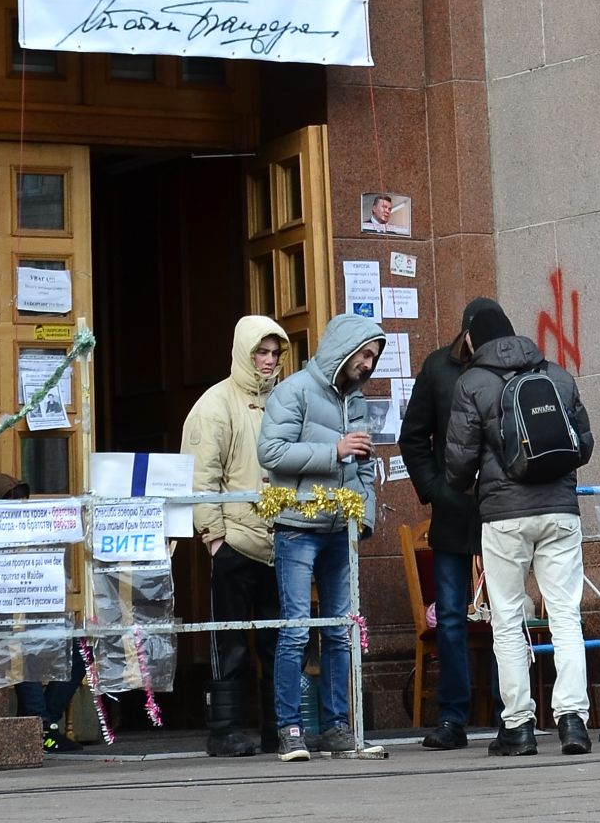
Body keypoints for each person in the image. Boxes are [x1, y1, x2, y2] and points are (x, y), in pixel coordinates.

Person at [443, 306, 594, 759]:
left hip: (504, 515)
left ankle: (519, 727)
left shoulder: (471, 382)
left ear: (471, 339)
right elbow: (583, 445)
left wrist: (468, 485)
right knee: (565, 615)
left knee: (507, 619)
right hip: (560, 511)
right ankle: (572, 722)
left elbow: (458, 461)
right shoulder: (557, 375)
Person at [257, 314, 389, 761]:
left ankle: (336, 727)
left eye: (374, 357)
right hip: (296, 527)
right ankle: (290, 728)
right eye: (365, 355)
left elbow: (366, 466)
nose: (369, 365)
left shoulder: (357, 401)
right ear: (344, 350)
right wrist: (333, 451)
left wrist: (364, 518)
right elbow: (271, 452)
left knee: (339, 632)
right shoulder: (292, 391)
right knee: (295, 630)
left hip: (340, 531)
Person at [180, 316, 291, 756]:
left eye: (275, 353)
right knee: (229, 641)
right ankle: (224, 730)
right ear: (244, 353)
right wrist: (214, 538)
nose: (268, 361)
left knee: (277, 640)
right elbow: (200, 477)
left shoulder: (285, 400)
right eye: (260, 353)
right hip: (236, 542)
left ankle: (276, 728)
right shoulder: (215, 404)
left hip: (280, 541)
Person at [399, 296, 506, 749]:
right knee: (451, 617)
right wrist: (436, 488)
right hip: (453, 510)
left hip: (503, 508)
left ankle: (512, 712)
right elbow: (413, 436)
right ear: (466, 335)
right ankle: (452, 718)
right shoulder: (438, 367)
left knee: (506, 613)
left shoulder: (509, 365)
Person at [0, 471, 86, 755]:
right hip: (4, 625)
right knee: (21, 649)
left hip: (38, 615)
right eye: (13, 506)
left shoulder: (34, 531)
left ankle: (41, 725)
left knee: (80, 649)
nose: (21, 512)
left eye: (24, 504)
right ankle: (42, 728)